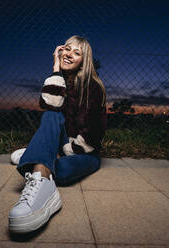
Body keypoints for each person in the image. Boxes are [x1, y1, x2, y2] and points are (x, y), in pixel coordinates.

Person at [8, 35, 107, 233]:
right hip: (63, 141)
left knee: (61, 172)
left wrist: (66, 150)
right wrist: (55, 68)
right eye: (67, 49)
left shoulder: (93, 87)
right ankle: (40, 178)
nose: (69, 54)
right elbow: (48, 105)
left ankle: (37, 156)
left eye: (77, 53)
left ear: (83, 61)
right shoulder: (60, 80)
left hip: (85, 151)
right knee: (51, 114)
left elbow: (94, 132)